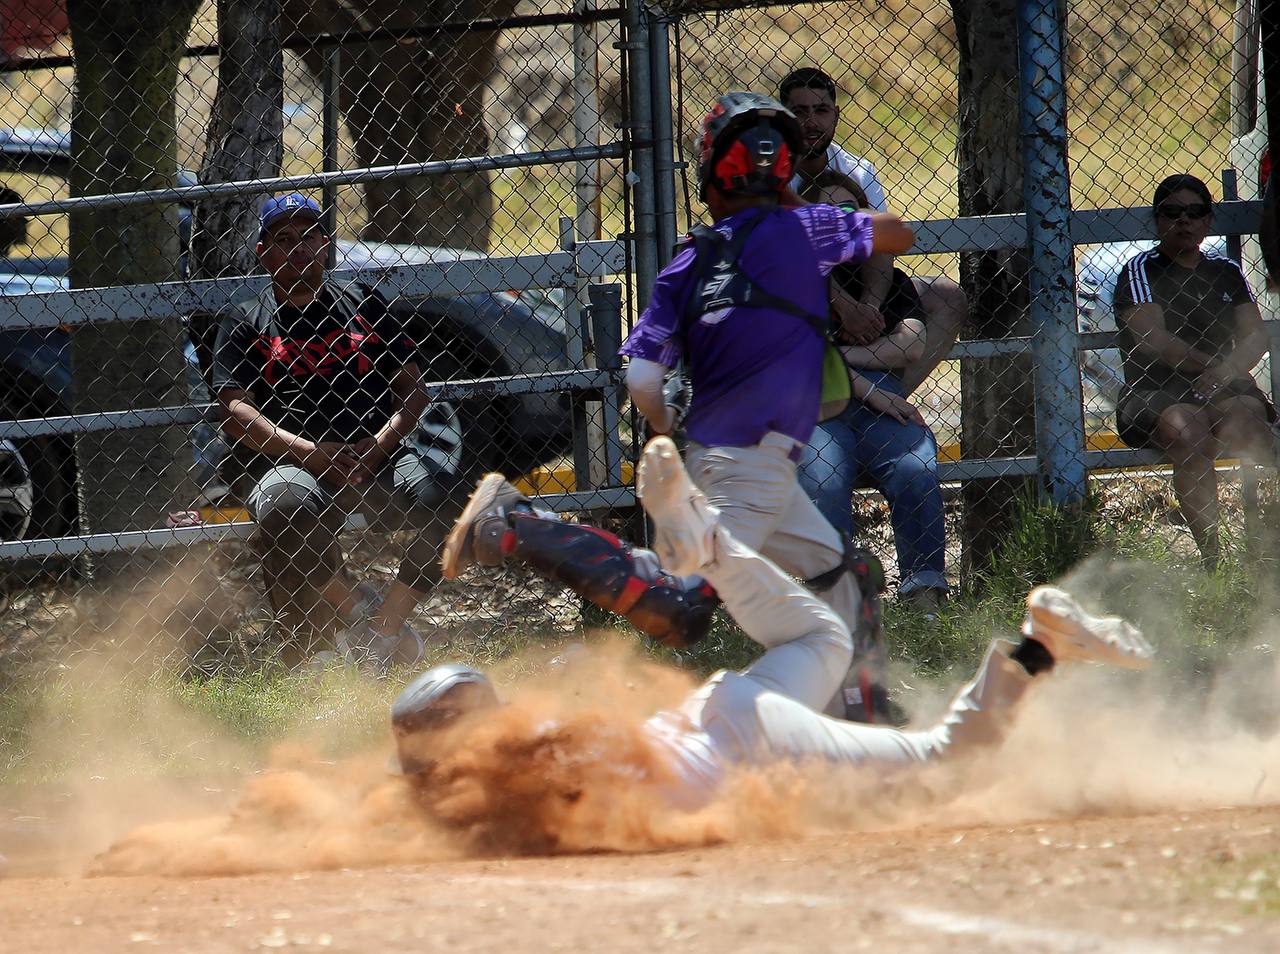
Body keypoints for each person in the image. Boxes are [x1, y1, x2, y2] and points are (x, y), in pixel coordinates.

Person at [455, 90, 914, 723]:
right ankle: (517, 522)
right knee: (680, 604)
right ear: (779, 170)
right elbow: (901, 233)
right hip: (750, 468)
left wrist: (665, 429)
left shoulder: (690, 261)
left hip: (738, 463)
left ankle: (865, 721)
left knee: (845, 578)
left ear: (710, 174)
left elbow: (642, 377)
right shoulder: (801, 229)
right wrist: (794, 201)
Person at [390, 436, 1154, 814]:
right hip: (711, 711)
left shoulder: (508, 791)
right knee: (821, 638)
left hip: (736, 740)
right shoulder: (524, 748)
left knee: (945, 761)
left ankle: (1042, 645)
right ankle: (708, 542)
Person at [211, 193, 456, 670]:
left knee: (440, 497)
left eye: (309, 237)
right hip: (290, 461)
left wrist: (379, 445)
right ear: (263, 252)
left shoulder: (364, 302)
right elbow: (235, 412)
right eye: (284, 239)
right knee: (285, 508)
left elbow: (413, 390)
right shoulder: (245, 319)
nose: (299, 248)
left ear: (326, 246)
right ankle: (347, 617)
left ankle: (384, 630)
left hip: (375, 456)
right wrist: (309, 452)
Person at [796, 171, 949, 610]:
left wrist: (835, 357)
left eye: (853, 211)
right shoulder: (794, 284)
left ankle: (924, 590)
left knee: (915, 467)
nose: (844, 223)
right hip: (818, 407)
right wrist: (866, 378)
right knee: (824, 479)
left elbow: (911, 343)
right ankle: (837, 600)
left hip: (875, 404)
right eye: (830, 214)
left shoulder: (891, 282)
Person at [1113, 174, 1276, 569]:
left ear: (1208, 220)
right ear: (1158, 220)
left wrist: (1223, 374)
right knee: (1189, 430)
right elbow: (1154, 341)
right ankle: (1214, 561)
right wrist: (1214, 367)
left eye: (1195, 212)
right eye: (1172, 212)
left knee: (1250, 418)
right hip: (1156, 388)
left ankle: (1264, 552)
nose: (1184, 221)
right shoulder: (1141, 271)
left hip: (1221, 384)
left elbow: (1255, 336)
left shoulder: (1225, 271)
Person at [779, 67, 967, 397]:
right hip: (799, 289)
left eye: (821, 111)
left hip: (858, 280)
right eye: (800, 112)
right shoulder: (771, 177)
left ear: (835, 115)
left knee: (948, 298)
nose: (811, 123)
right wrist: (844, 308)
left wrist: (869, 307)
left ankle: (884, 399)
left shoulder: (857, 170)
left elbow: (879, 246)